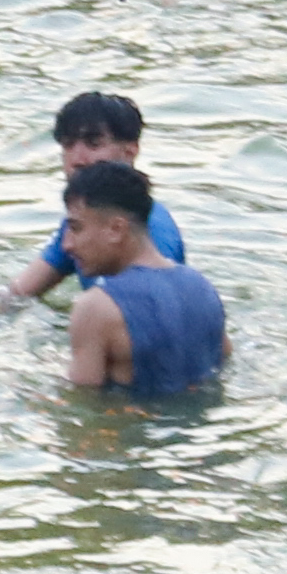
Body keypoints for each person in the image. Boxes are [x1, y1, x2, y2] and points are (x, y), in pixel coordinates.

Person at [52, 159, 230, 397]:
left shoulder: (95, 308)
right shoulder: (203, 288)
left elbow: (80, 408)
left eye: (76, 228)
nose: (66, 245)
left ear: (116, 229)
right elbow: (224, 366)